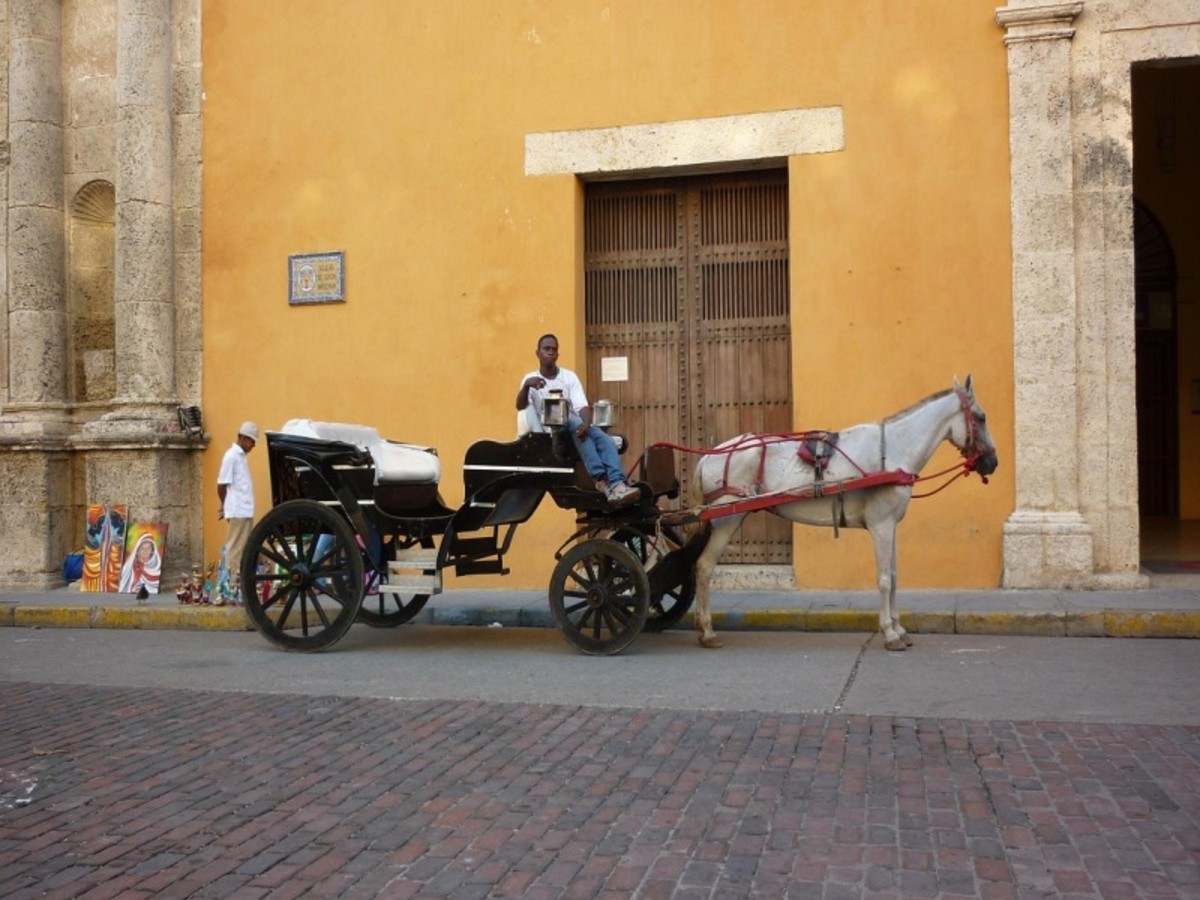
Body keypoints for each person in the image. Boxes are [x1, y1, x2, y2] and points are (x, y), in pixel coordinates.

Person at [516, 334, 638, 507]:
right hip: (550, 431)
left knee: (605, 439)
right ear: (538, 353)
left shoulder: (569, 377)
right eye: (546, 349)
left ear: (558, 354)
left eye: (554, 349)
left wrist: (586, 425)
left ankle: (617, 484)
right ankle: (601, 479)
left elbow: (582, 407)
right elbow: (520, 406)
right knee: (573, 421)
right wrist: (527, 385)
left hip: (573, 425)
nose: (550, 352)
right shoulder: (530, 378)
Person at [217, 421, 258, 590]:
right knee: (234, 548)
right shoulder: (231, 456)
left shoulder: (241, 457)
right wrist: (224, 505)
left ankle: (238, 582)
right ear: (242, 438)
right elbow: (221, 484)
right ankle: (231, 585)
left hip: (245, 509)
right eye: (251, 441)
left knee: (243, 548)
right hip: (237, 509)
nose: (253, 445)